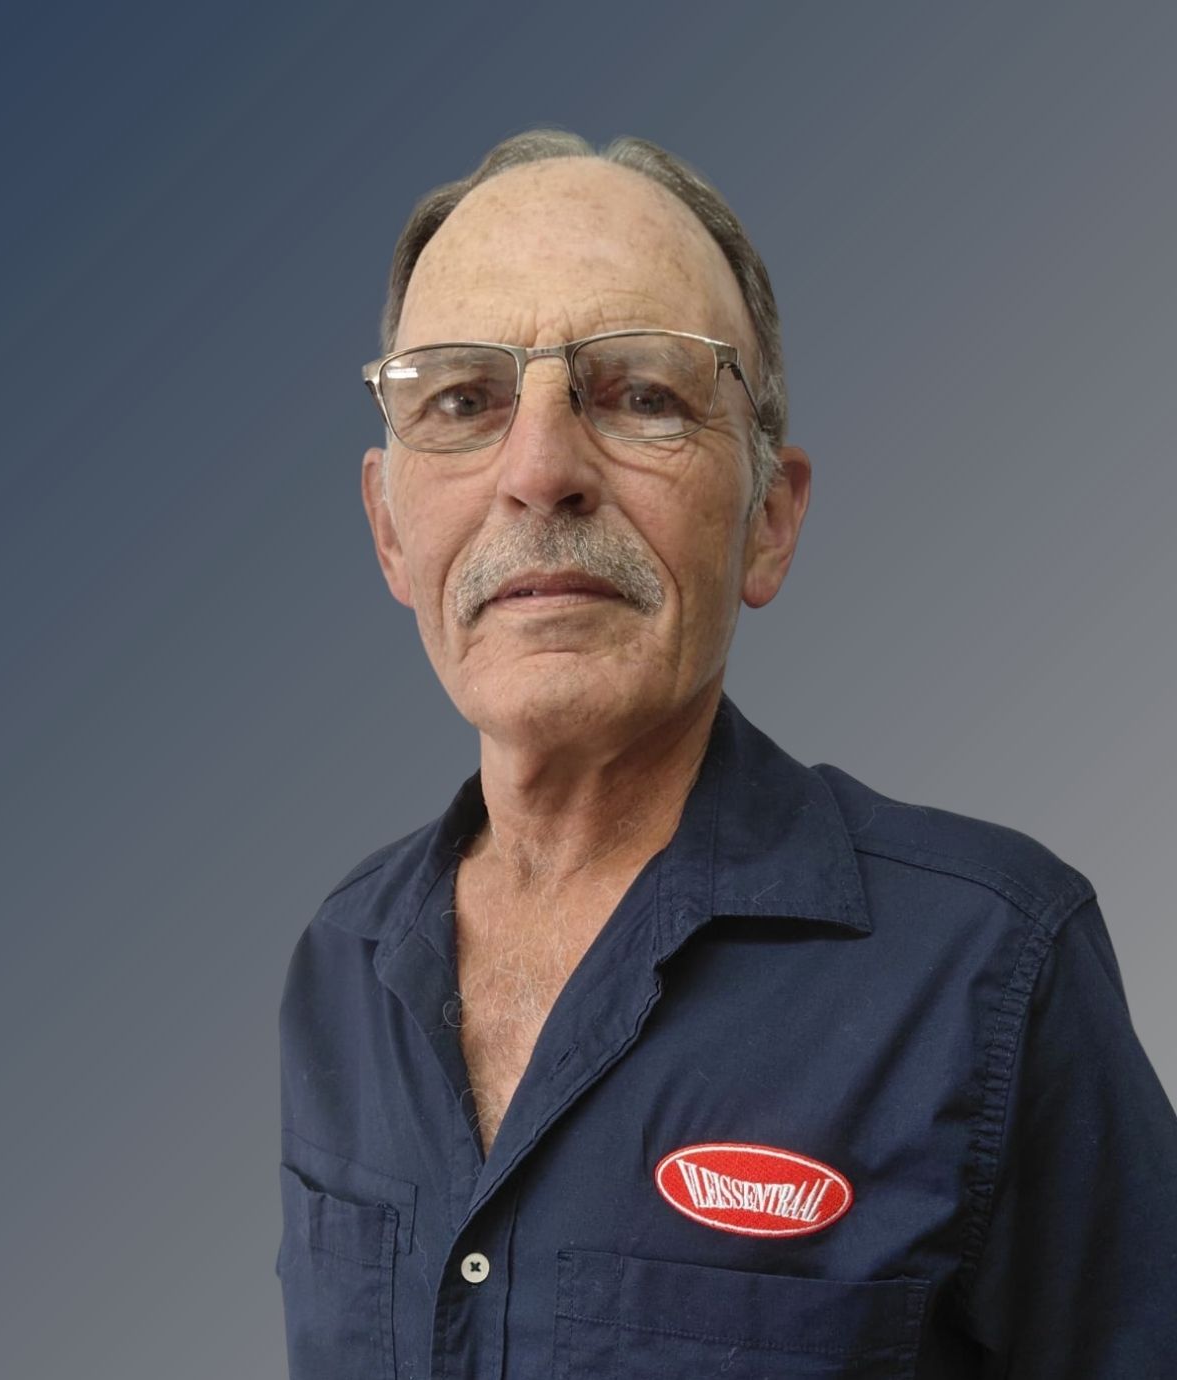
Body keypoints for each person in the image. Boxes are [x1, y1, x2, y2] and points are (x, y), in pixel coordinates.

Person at [275, 129, 1177, 1379]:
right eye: (466, 402)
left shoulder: (994, 968)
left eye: (642, 394)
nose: (540, 470)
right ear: (388, 529)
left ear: (770, 520)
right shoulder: (343, 964)